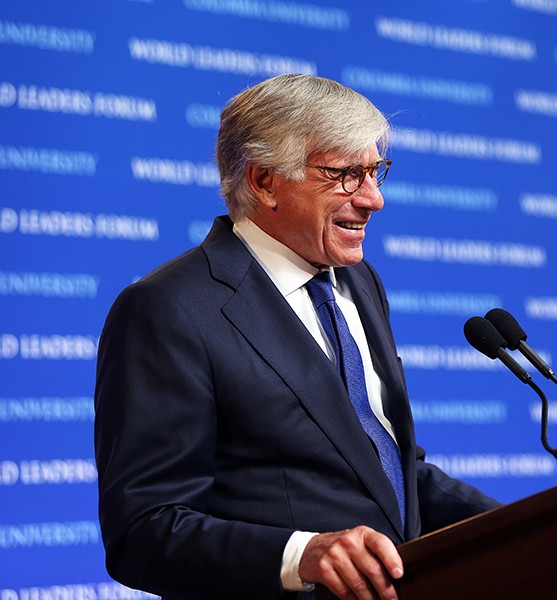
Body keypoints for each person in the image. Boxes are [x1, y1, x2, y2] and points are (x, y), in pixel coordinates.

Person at [94, 73, 501, 600]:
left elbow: (383, 469)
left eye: (376, 172)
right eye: (346, 175)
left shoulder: (358, 282)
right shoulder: (168, 309)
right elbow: (143, 530)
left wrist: (535, 527)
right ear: (264, 181)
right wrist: (300, 555)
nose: (374, 199)